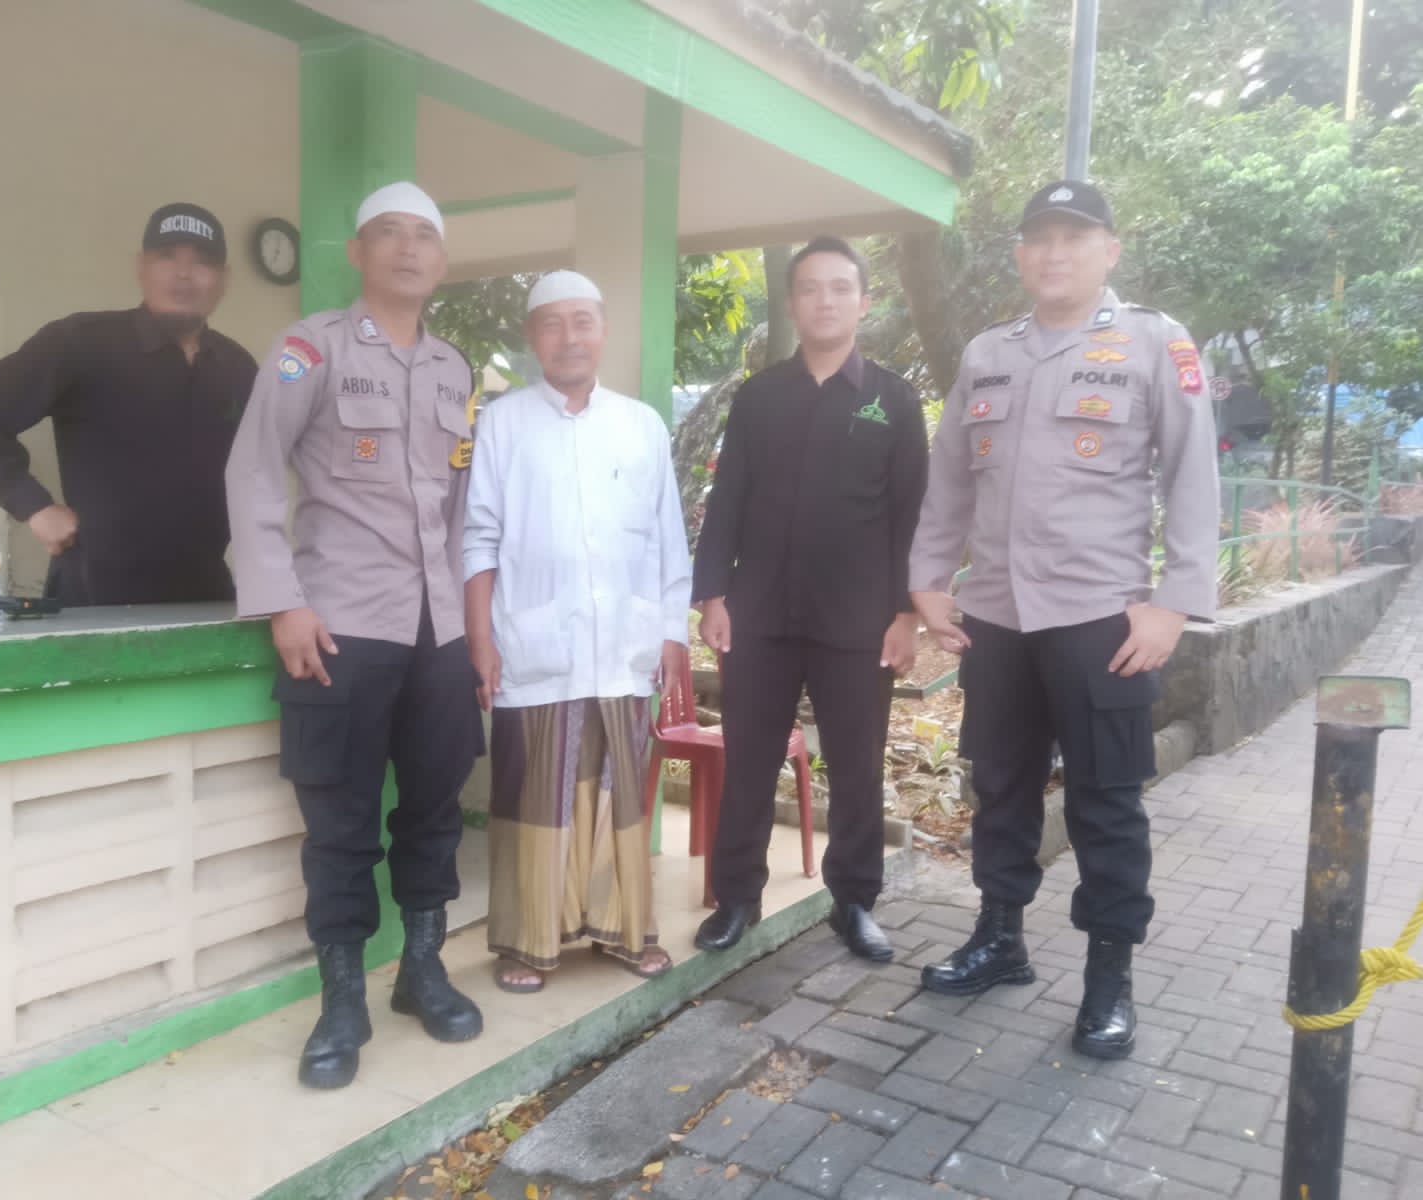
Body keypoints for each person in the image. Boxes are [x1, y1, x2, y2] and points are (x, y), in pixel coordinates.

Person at [908, 181, 1219, 1060]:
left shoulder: (1154, 343)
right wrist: (926, 578)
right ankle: (999, 939)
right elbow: (948, 479)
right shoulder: (987, 353)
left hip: (1099, 621)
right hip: (996, 617)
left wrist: (1173, 603)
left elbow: (1192, 474)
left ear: (1108, 251)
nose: (1054, 253)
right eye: (1039, 238)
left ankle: (1108, 979)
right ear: (1019, 255)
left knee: (1105, 803)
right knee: (999, 785)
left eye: (1073, 238)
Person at [225, 182, 483, 1090]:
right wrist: (280, 599)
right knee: (339, 821)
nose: (408, 249)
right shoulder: (311, 349)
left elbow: (460, 508)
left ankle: (422, 970)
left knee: (435, 810)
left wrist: (472, 629)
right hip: (339, 622)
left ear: (441, 259)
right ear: (358, 253)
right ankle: (341, 1001)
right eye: (388, 234)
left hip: (437, 632)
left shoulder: (454, 370)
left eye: (424, 236)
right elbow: (254, 469)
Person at [691, 237, 928, 962]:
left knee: (855, 766)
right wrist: (712, 595)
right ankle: (736, 898)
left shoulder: (893, 400)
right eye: (810, 288)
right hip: (760, 613)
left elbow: (912, 515)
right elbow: (727, 498)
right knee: (748, 760)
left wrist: (907, 614)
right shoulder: (759, 396)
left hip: (858, 619)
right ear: (792, 303)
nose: (825, 301)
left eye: (839, 287)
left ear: (864, 302)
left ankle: (853, 902)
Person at [462, 270, 692, 994]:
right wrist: (480, 640)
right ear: (533, 337)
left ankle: (624, 930)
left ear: (602, 332)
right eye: (553, 323)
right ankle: (529, 941)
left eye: (583, 321)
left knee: (619, 795)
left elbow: (668, 540)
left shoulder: (641, 424)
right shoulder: (502, 422)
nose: (569, 337)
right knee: (535, 795)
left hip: (623, 643)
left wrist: (671, 632)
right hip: (534, 644)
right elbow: (478, 537)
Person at [0, 203, 254, 606]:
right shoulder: (82, 342)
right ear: (141, 267)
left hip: (205, 590)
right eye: (167, 257)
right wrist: (34, 506)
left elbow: (262, 467)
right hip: (97, 591)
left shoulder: (237, 366)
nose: (183, 273)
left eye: (202, 261)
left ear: (223, 279)